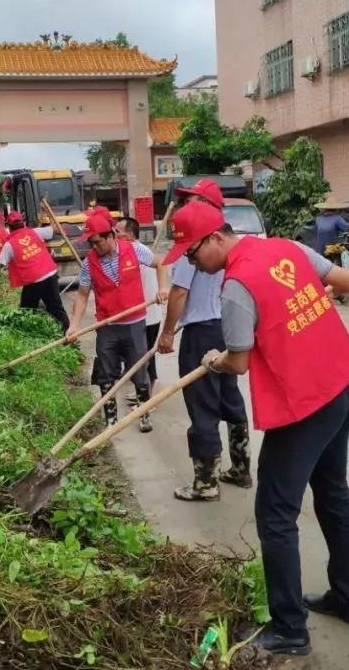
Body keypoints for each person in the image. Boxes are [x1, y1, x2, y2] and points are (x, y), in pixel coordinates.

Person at [162, 200, 349, 658]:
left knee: (275, 517)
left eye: (192, 255)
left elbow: (238, 361)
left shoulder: (235, 287)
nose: (192, 264)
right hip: (340, 391)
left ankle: (290, 628)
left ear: (215, 238)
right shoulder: (286, 249)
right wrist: (315, 293)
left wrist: (213, 360)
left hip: (304, 409)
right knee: (333, 496)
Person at [157, 179, 250, 502]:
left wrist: (167, 332)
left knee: (203, 407)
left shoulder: (193, 242)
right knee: (230, 399)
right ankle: (241, 467)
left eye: (190, 200)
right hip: (228, 327)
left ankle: (206, 482)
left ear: (208, 206)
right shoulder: (229, 241)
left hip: (201, 333)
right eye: (183, 200)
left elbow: (180, 292)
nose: (184, 206)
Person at [66, 212, 168, 432]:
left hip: (135, 323)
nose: (94, 247)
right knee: (106, 373)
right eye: (91, 243)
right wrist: (74, 325)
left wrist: (162, 288)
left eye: (97, 242)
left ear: (111, 235)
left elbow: (161, 264)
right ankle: (111, 418)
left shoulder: (134, 249)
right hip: (107, 326)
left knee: (139, 371)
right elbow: (83, 294)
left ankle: (144, 414)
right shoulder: (89, 263)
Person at [0, 211, 69, 330]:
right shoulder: (35, 232)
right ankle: (68, 335)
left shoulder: (9, 245)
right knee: (56, 308)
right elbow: (56, 228)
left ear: (9, 226)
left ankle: (30, 334)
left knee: (26, 311)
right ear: (23, 223)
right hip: (50, 274)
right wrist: (48, 213)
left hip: (34, 280)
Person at [113, 216, 162, 402]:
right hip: (135, 315)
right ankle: (142, 391)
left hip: (147, 316)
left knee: (146, 357)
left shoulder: (136, 250)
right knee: (136, 356)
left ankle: (148, 399)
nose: (114, 235)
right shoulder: (126, 251)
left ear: (129, 235)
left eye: (117, 232)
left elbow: (161, 264)